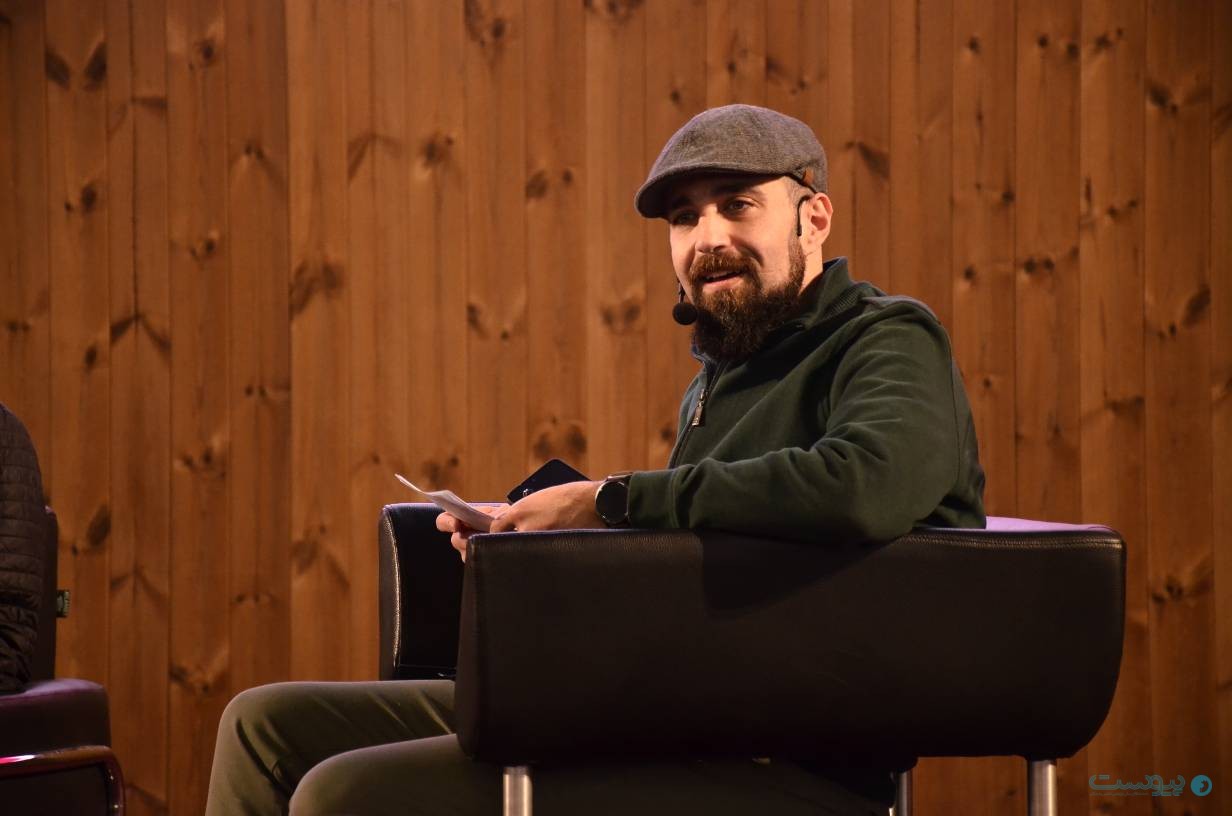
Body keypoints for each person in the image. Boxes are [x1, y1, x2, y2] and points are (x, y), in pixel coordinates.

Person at [205, 104, 984, 816]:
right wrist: (543, 539)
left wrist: (608, 502)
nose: (707, 238)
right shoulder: (722, 378)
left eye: (738, 205)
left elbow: (866, 486)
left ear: (814, 219)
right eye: (685, 218)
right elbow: (706, 542)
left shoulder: (887, 337)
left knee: (342, 795)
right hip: (658, 712)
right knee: (263, 725)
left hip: (786, 760)